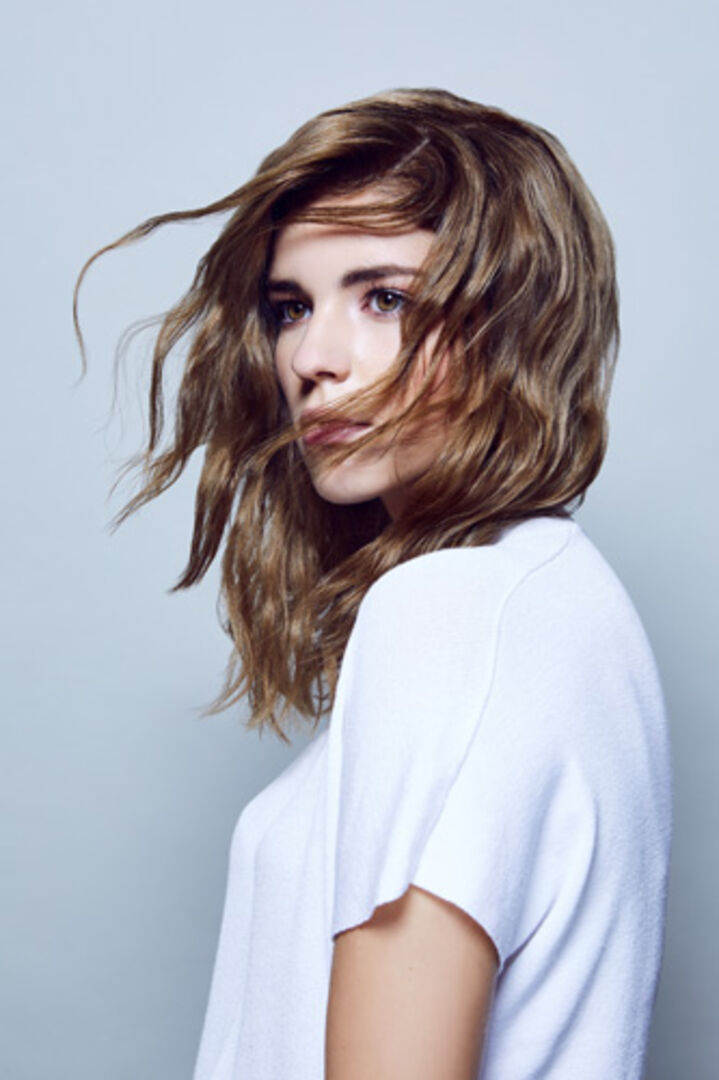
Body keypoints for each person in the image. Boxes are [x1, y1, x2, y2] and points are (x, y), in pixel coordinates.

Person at [75, 88, 672, 1079]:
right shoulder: (559, 604)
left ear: (512, 321)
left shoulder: (450, 611)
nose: (312, 358)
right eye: (290, 308)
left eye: (383, 298)